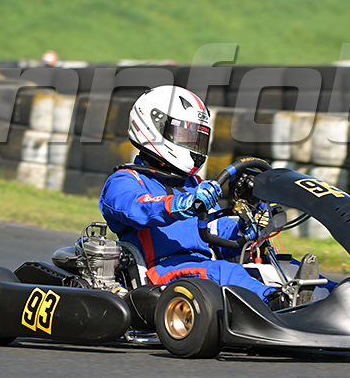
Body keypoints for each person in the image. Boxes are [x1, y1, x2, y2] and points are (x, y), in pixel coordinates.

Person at [99, 86, 324, 309]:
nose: (193, 146)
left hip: (203, 266)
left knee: (280, 263)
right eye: (186, 136)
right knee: (224, 272)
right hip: (162, 271)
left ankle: (330, 295)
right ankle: (279, 303)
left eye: (197, 139)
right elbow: (138, 209)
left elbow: (218, 233)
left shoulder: (192, 185)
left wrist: (249, 226)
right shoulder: (125, 180)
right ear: (153, 128)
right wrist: (182, 204)